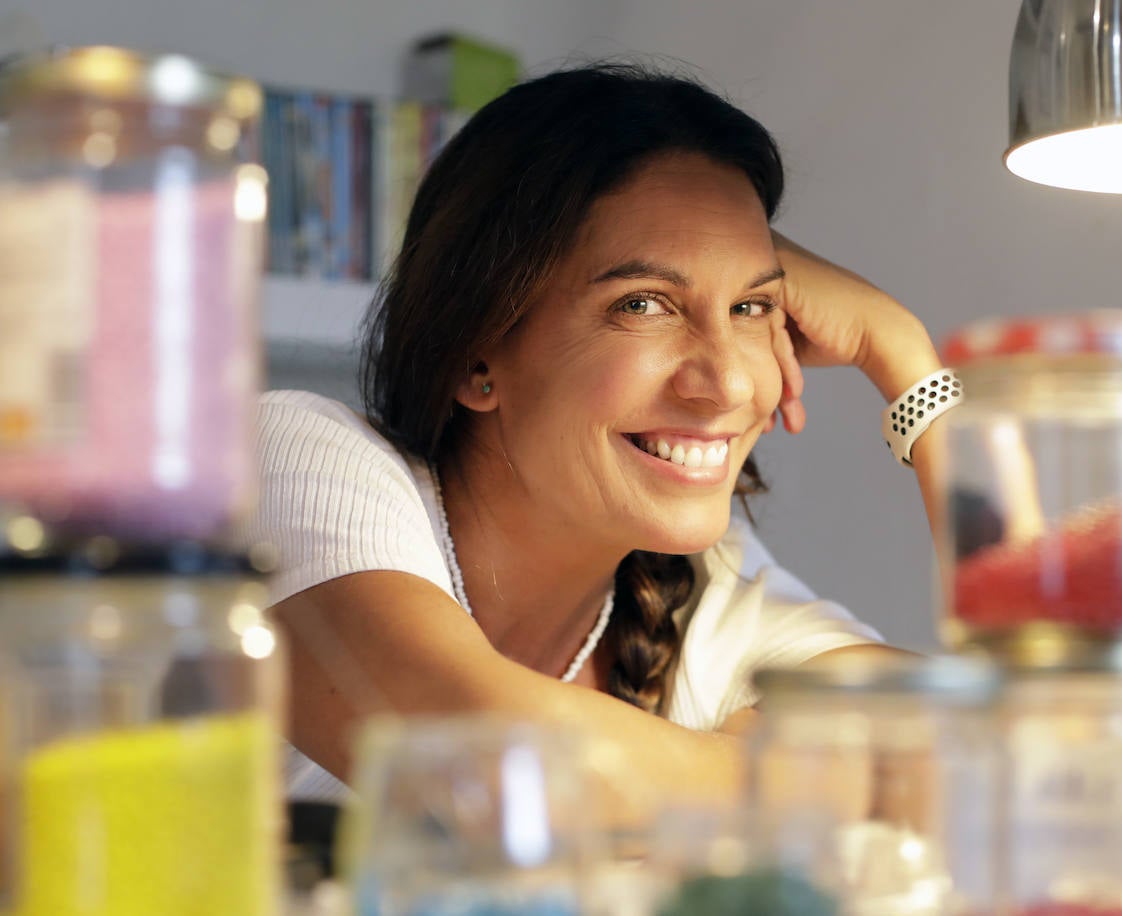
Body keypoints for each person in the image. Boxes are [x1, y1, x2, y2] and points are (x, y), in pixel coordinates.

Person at [248, 63, 949, 818]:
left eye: (751, 306)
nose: (728, 385)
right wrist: (804, 770)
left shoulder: (703, 596)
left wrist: (902, 353)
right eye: (644, 304)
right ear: (477, 355)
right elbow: (493, 768)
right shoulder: (292, 459)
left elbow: (1043, 732)